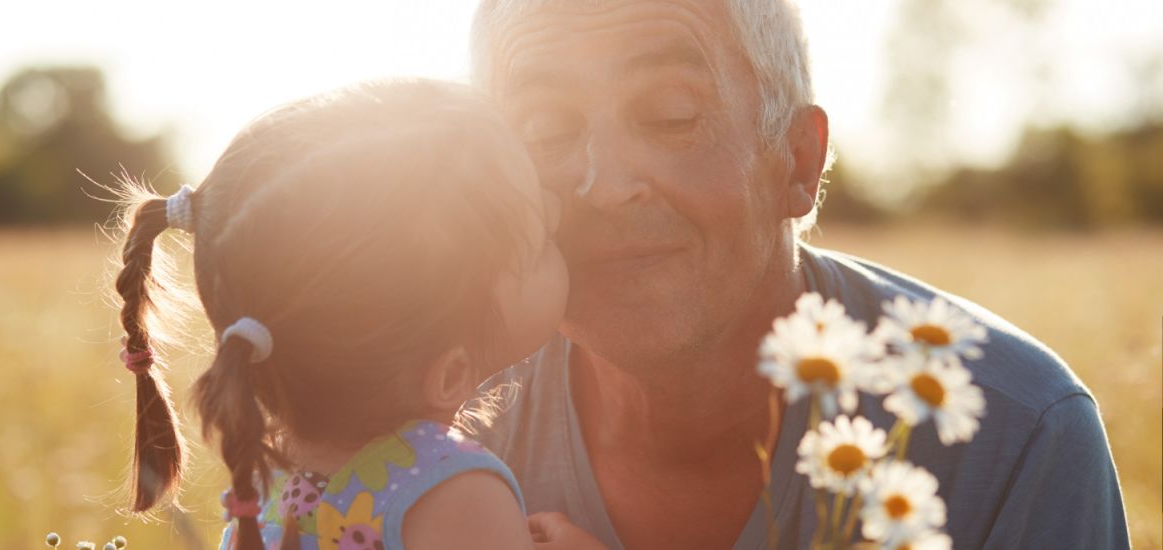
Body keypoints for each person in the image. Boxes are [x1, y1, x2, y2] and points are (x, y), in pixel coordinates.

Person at [466, 1, 1131, 548]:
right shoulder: (434, 406)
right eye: (546, 128)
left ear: (797, 161)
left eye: (671, 116)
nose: (606, 184)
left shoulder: (1018, 439)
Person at [109, 79, 605, 550]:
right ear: (451, 372)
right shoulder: (455, 490)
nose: (557, 212)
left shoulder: (265, 473)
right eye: (538, 239)